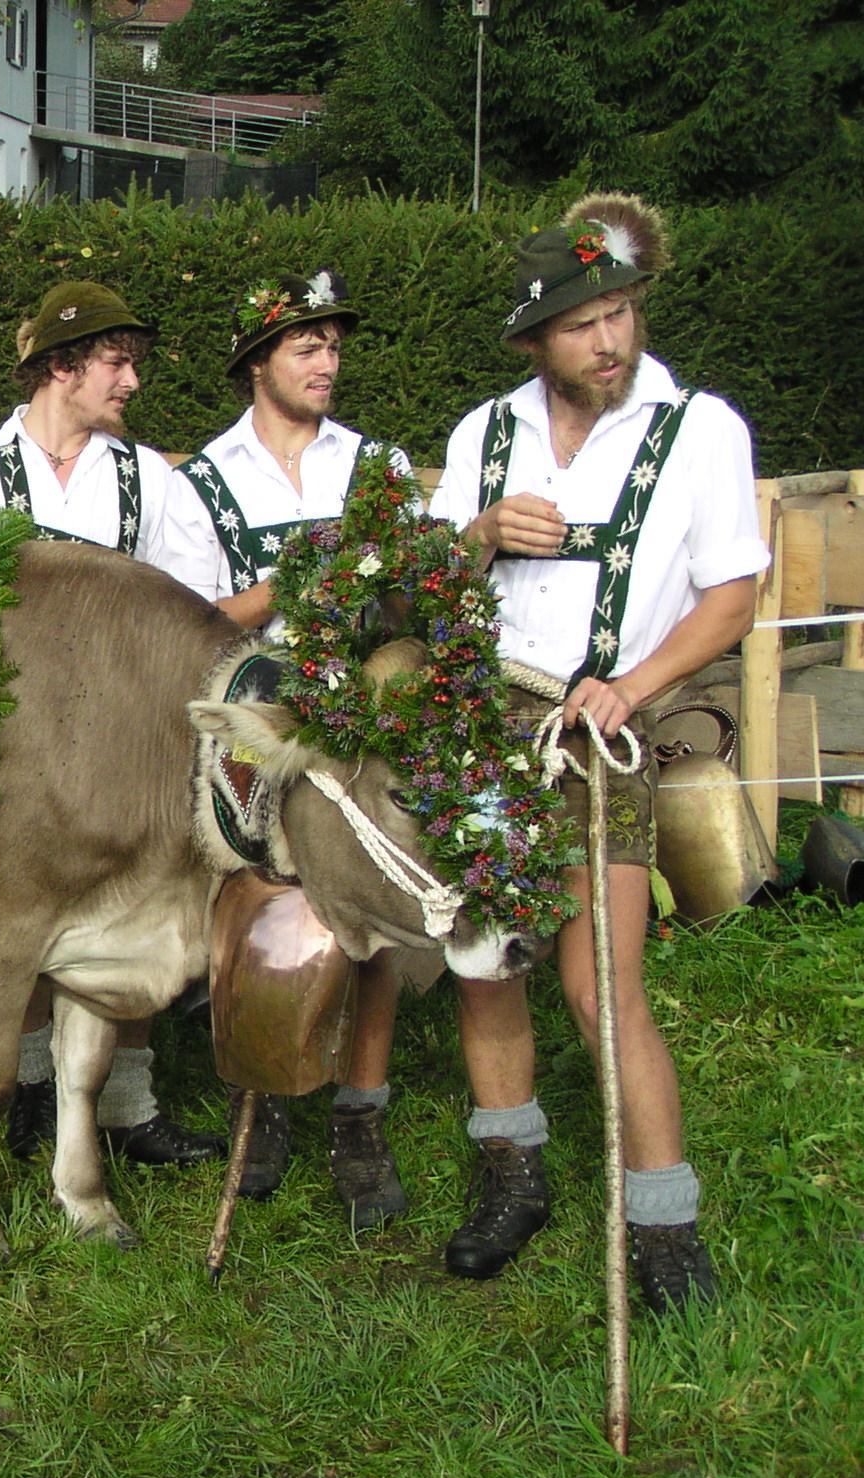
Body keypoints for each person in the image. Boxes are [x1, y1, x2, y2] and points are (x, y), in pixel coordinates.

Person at [432, 193, 767, 1311]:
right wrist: (476, 535)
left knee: (599, 984)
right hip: (486, 730)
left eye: (620, 313)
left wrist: (629, 686)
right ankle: (511, 1177)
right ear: (534, 338)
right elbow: (431, 582)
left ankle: (663, 1228)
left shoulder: (698, 427)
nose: (610, 340)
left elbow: (730, 595)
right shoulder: (481, 435)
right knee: (486, 964)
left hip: (600, 737)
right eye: (583, 323)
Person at [0, 281, 226, 1169]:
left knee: (124, 912)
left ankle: (126, 1100)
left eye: (131, 365)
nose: (130, 383)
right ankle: (35, 1089)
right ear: (61, 367)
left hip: (120, 750)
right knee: (13, 916)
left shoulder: (149, 478)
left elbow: (195, 615)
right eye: (116, 364)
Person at [170, 271, 412, 1229]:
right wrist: (292, 582)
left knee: (377, 918)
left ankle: (360, 1117)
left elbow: (406, 600)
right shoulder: (206, 481)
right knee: (256, 912)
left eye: (335, 346)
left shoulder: (376, 464)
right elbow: (194, 625)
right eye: (306, 346)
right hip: (262, 732)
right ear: (258, 363)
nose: (327, 362)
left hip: (362, 728)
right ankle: (261, 1101)